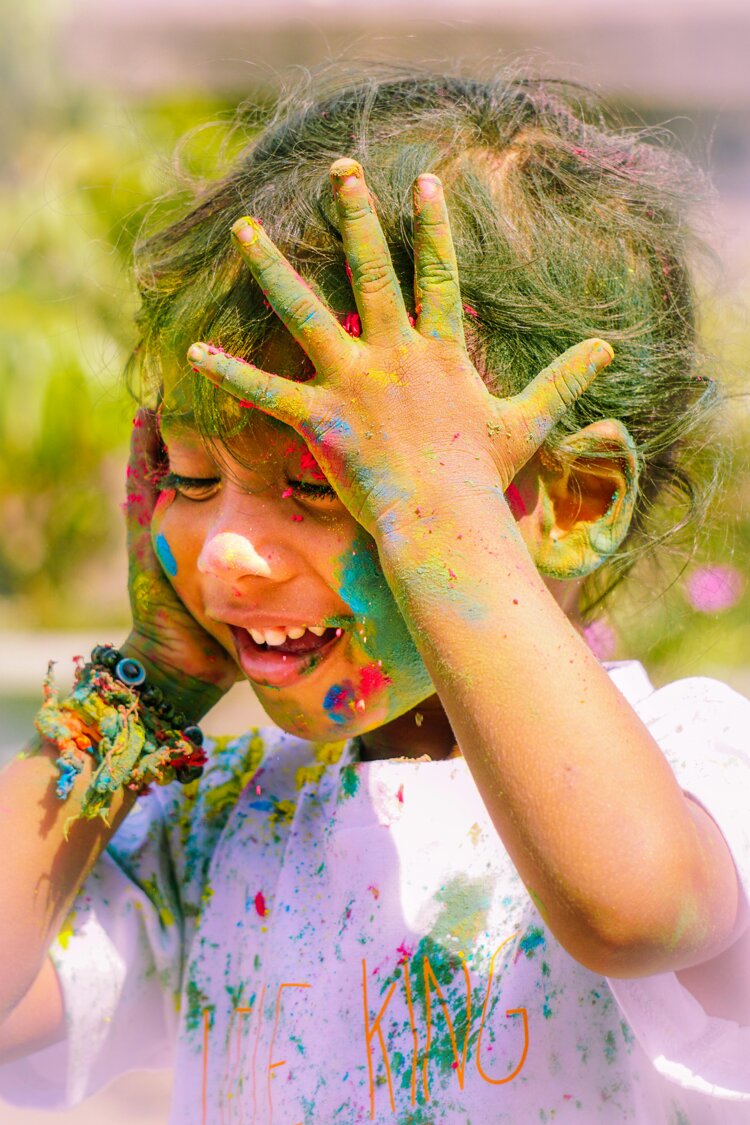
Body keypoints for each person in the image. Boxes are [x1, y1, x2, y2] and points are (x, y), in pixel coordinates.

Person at [1, 65, 749, 1123]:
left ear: (573, 501)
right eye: (192, 476)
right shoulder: (216, 823)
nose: (223, 556)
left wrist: (441, 525)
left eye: (323, 483)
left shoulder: (694, 770)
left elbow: (632, 913)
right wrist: (144, 687)